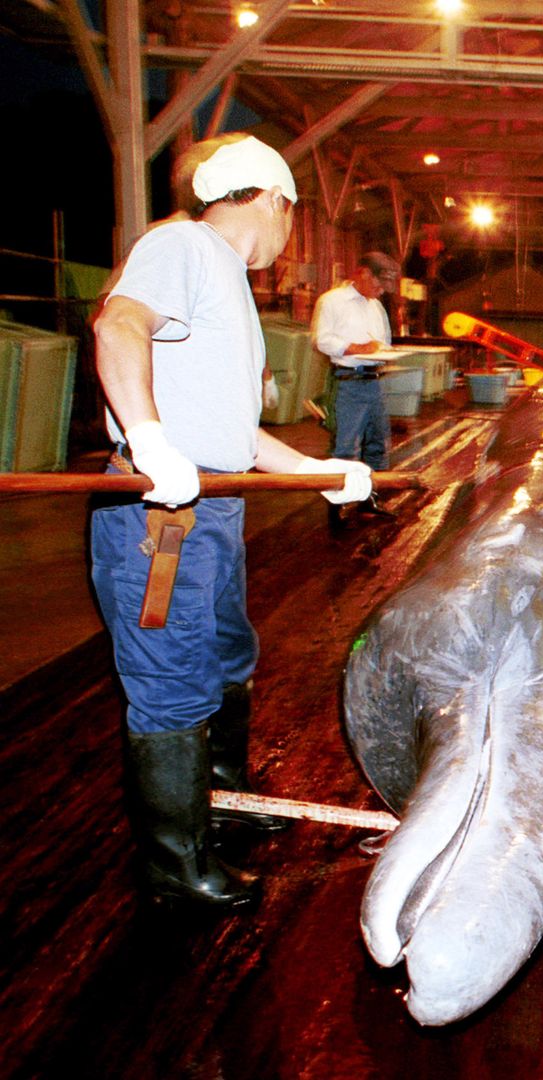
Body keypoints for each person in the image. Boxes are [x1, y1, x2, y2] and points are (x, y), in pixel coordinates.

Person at [91, 134, 374, 909]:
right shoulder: (183, 243)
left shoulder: (227, 284)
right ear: (275, 200)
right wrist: (149, 439)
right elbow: (117, 327)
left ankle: (221, 805)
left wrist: (322, 470)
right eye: (293, 216)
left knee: (223, 656)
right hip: (161, 522)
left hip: (211, 508)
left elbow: (237, 435)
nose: (289, 237)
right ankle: (174, 867)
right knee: (172, 682)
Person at [311, 251, 401, 523]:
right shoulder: (332, 301)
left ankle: (370, 499)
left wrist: (384, 354)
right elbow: (322, 340)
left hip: (373, 383)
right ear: (363, 273)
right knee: (345, 447)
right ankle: (336, 508)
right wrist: (357, 348)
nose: (380, 291)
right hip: (348, 382)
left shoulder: (376, 307)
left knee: (377, 444)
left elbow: (383, 342)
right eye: (378, 284)